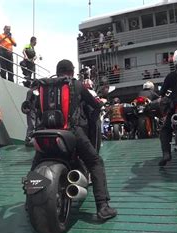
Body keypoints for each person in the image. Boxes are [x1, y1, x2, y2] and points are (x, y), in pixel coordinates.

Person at [33, 59, 117, 220]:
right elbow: (94, 104)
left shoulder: (44, 86)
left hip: (45, 131)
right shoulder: (76, 84)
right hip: (71, 131)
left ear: (57, 71)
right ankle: (103, 206)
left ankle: (29, 200)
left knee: (37, 161)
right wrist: (100, 105)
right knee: (95, 161)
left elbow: (37, 109)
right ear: (71, 72)